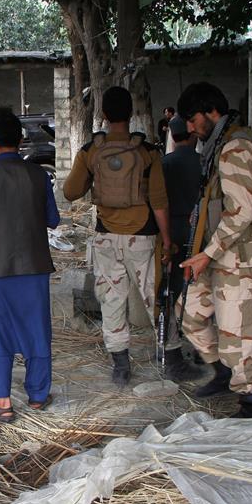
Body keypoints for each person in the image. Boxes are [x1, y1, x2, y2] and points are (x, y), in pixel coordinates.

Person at [63, 86, 172, 386]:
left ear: (104, 115)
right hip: (144, 237)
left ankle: (121, 366)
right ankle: (172, 357)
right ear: (132, 113)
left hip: (106, 237)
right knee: (156, 298)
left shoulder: (91, 151)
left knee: (111, 300)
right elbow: (160, 201)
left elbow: (70, 191)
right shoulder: (148, 151)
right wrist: (167, 241)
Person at [176, 82, 252, 418]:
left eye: (192, 119)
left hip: (237, 256)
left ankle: (250, 402)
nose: (189, 127)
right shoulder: (217, 144)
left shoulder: (235, 146)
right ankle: (222, 372)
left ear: (209, 111)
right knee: (188, 313)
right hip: (217, 252)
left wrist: (207, 252)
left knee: (236, 332)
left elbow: (243, 210)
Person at [0, 113, 60, 423]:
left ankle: (3, 403)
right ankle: (37, 395)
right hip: (34, 265)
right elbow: (53, 220)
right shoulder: (39, 175)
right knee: (37, 329)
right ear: (20, 141)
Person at [158, 116, 204, 380]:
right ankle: (202, 347)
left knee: (173, 291)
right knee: (201, 289)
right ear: (193, 136)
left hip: (173, 233)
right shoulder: (202, 164)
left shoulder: (165, 164)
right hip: (199, 232)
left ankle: (172, 345)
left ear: (172, 137)